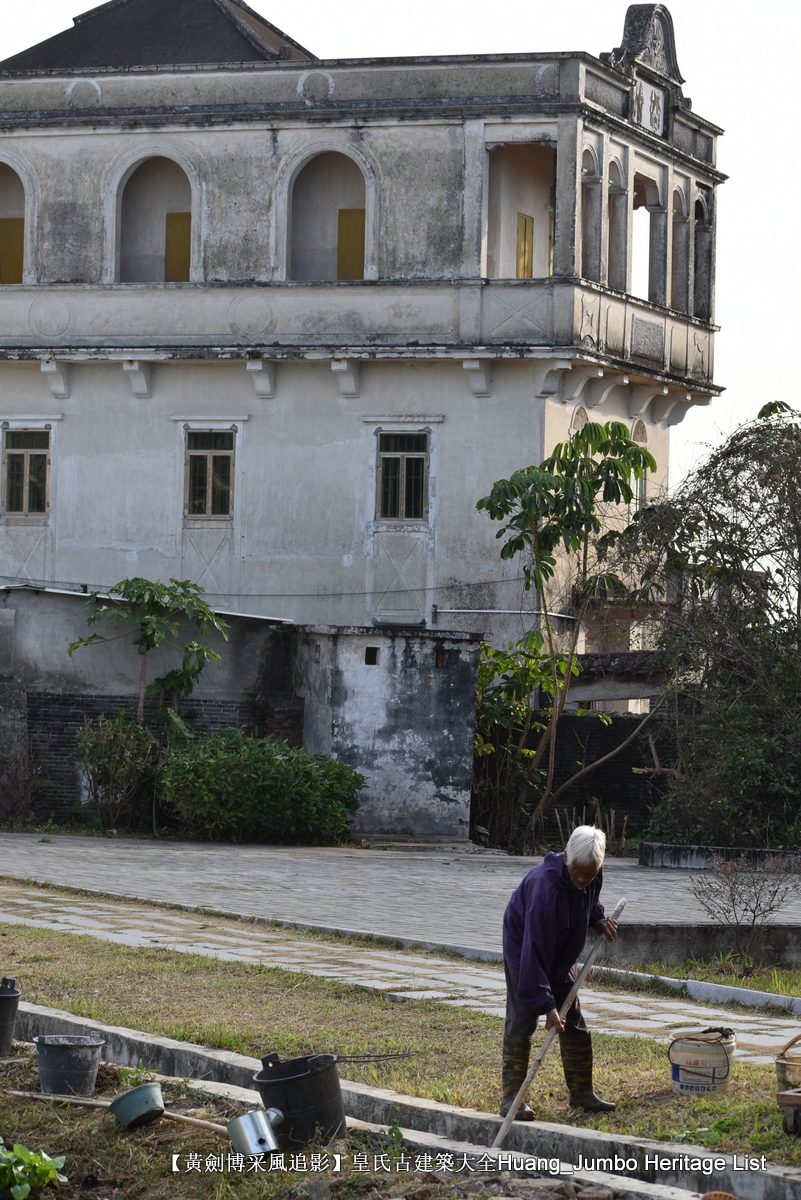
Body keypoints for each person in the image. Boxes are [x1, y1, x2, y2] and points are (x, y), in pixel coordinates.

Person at [500, 825, 618, 1119]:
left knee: (574, 1021)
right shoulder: (545, 892)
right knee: (523, 1020)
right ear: (566, 857)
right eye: (577, 872)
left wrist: (598, 919)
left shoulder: (592, 872)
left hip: (563, 952)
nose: (581, 880)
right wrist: (546, 1005)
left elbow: (587, 902)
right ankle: (510, 1099)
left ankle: (582, 1093)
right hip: (524, 951)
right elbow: (534, 953)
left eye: (588, 875)